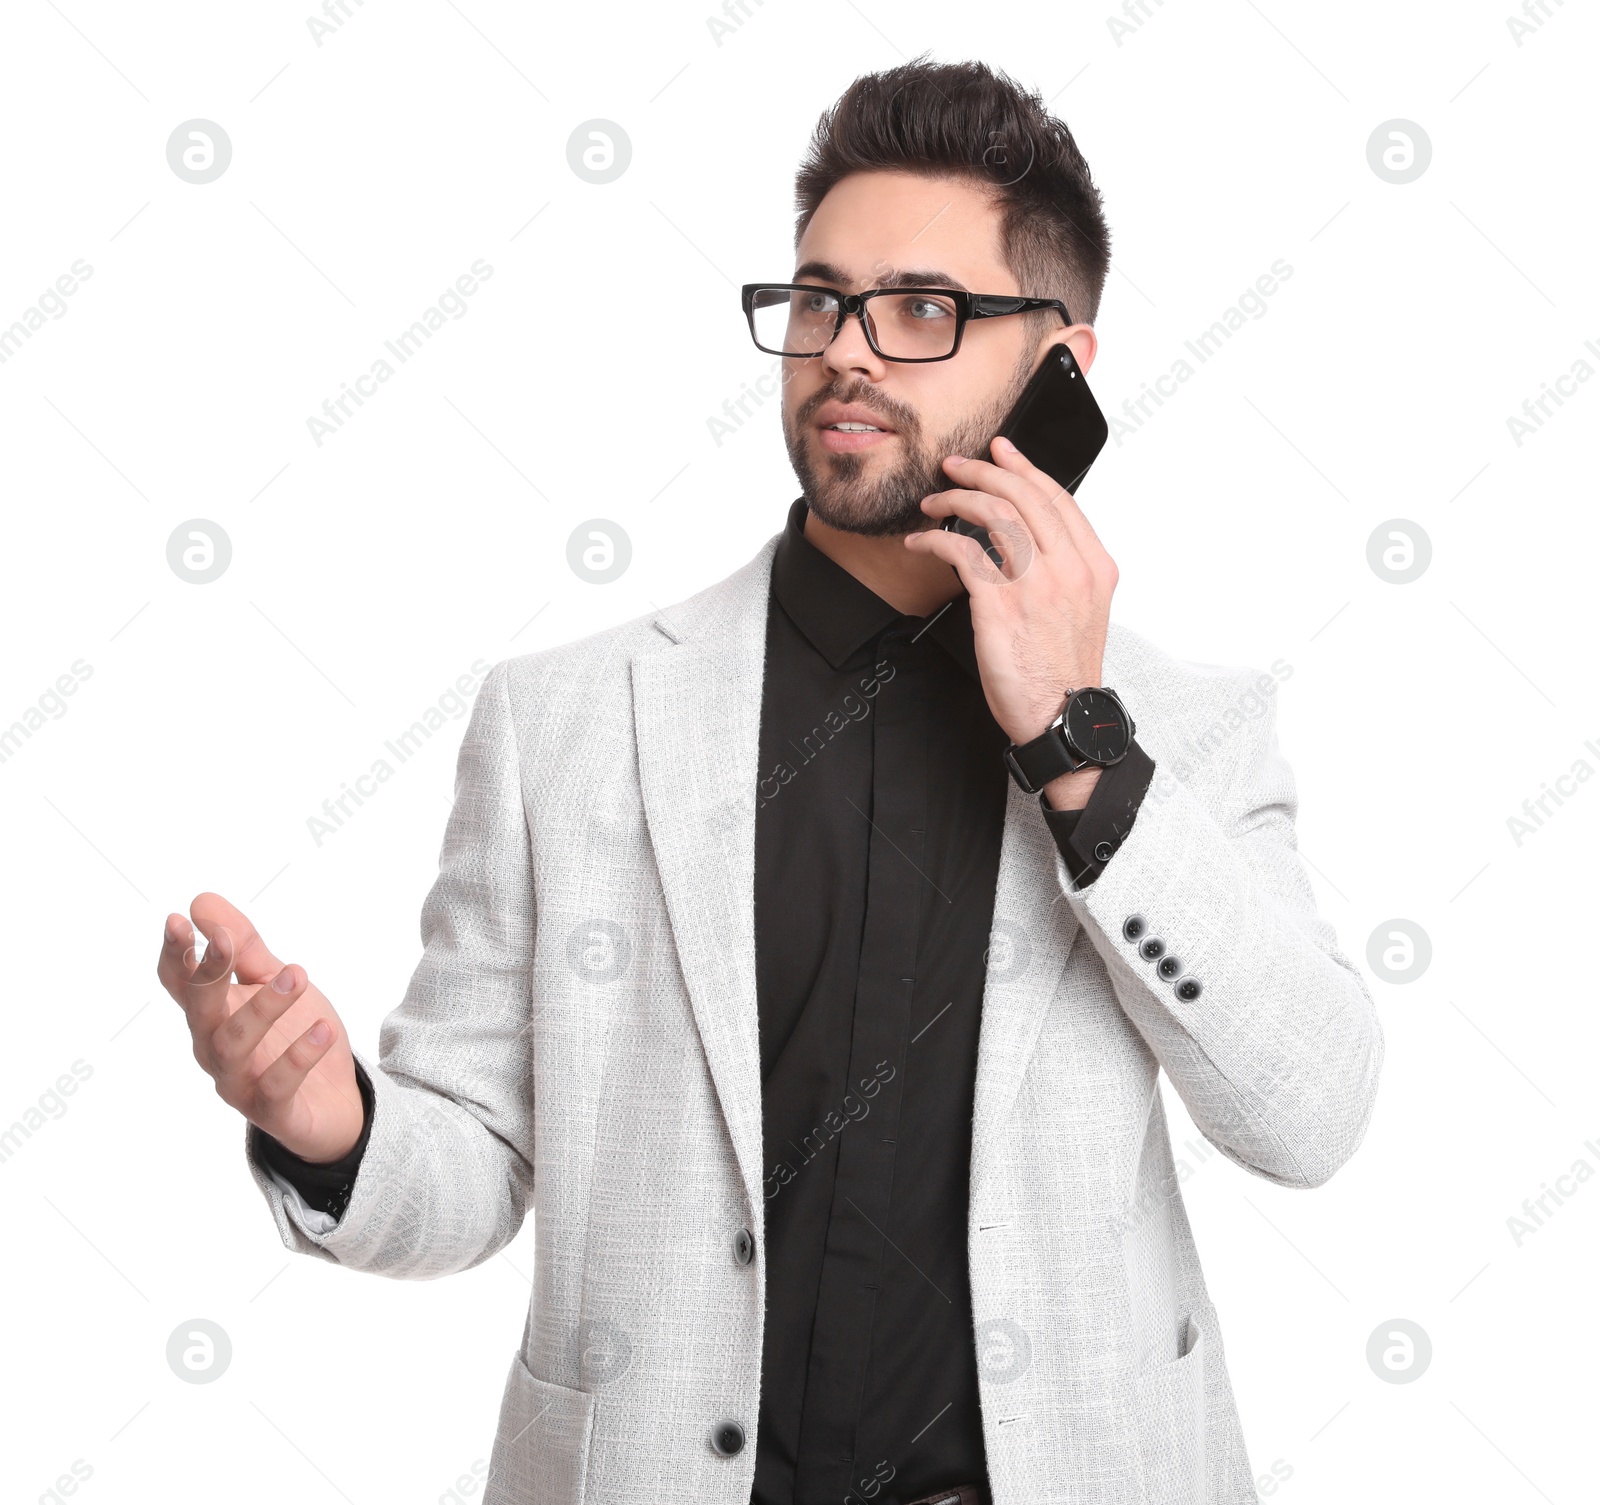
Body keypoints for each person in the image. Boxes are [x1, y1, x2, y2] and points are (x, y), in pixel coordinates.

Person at [157, 57, 1383, 1505]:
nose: (847, 351)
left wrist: (1073, 732)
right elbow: (474, 1166)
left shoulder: (1186, 727)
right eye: (820, 300)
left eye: (923, 310)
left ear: (1063, 369)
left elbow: (1309, 1112)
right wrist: (334, 1126)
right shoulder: (568, 719)